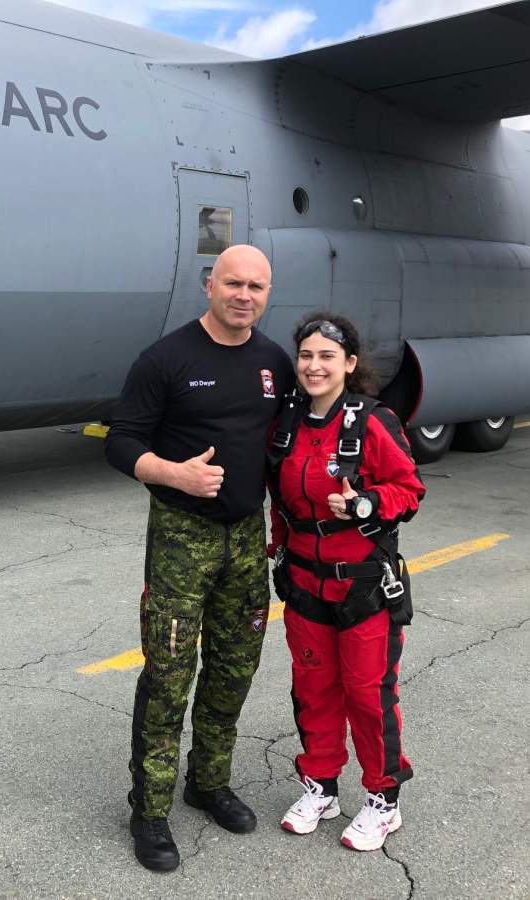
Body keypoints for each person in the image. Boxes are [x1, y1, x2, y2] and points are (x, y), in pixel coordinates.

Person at [105, 244, 293, 872]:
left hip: (247, 536)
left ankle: (208, 783)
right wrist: (171, 474)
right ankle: (150, 809)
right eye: (234, 283)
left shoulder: (273, 362)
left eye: (257, 287)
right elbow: (120, 439)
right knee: (168, 675)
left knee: (234, 669)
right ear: (210, 284)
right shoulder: (166, 359)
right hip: (182, 536)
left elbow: (291, 441)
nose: (245, 295)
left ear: (267, 294)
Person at [267, 312, 424, 852]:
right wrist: (277, 551)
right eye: (306, 356)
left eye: (326, 357)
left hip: (362, 587)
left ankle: (384, 799)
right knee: (313, 690)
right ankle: (320, 786)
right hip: (305, 585)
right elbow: (278, 499)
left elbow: (410, 488)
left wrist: (366, 503)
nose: (314, 366)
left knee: (368, 694)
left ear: (349, 364)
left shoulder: (373, 422)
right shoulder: (286, 423)